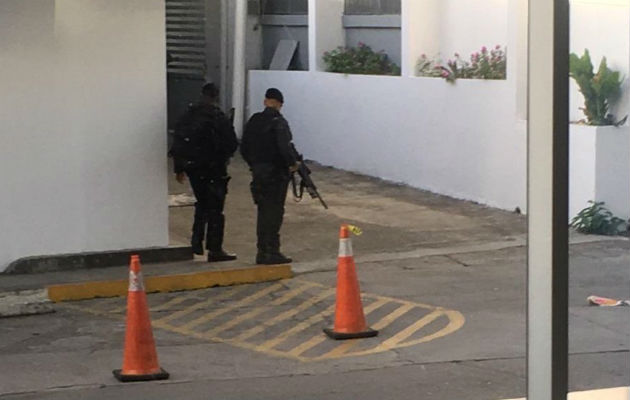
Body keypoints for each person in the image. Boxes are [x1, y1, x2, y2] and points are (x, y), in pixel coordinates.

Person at [170, 83, 238, 262]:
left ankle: (196, 243)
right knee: (215, 210)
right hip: (214, 170)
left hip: (194, 168)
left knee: (201, 205)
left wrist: (179, 168)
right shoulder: (218, 117)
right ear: (216, 97)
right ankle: (215, 249)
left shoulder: (189, 115)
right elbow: (231, 144)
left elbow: (178, 141)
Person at [241, 88, 299, 265]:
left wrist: (255, 165)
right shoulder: (278, 122)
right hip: (275, 175)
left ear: (265, 101)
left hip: (259, 174)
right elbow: (285, 148)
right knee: (273, 213)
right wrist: (292, 164)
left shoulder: (254, 121)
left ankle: (262, 251)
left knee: (263, 212)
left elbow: (244, 147)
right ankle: (271, 251)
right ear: (280, 104)